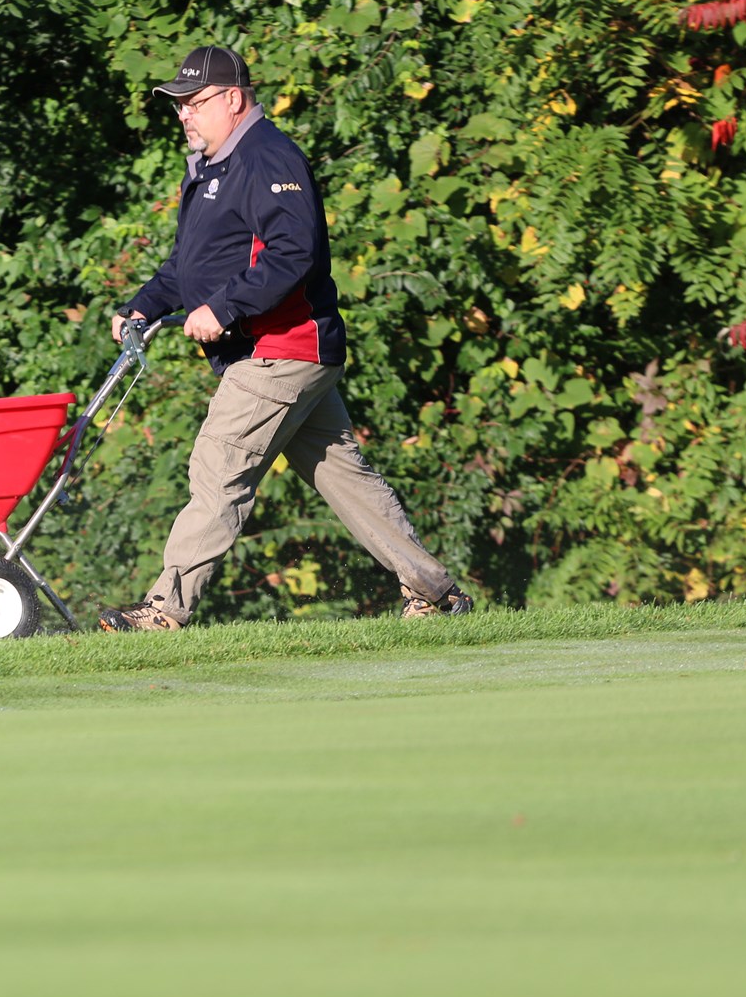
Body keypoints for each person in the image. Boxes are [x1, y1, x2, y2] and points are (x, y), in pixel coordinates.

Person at [98, 46, 471, 632]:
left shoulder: (267, 157)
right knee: (344, 477)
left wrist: (223, 308)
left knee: (218, 466)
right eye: (178, 107)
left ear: (232, 98)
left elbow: (294, 254)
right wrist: (142, 308)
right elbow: (188, 266)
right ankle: (436, 592)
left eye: (194, 103)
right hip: (270, 351)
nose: (185, 116)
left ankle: (164, 610)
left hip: (283, 348)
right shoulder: (212, 168)